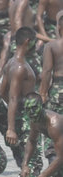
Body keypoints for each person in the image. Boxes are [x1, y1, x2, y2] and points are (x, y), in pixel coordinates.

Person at [0, 27, 46, 177]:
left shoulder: (11, 63)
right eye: (35, 41)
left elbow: (3, 92)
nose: (37, 44)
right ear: (27, 41)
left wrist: (16, 112)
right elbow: (11, 97)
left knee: (29, 161)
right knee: (34, 161)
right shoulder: (20, 67)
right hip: (27, 120)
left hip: (24, 117)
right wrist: (12, 126)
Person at [39, 15, 63, 163]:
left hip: (57, 89)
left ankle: (53, 158)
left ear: (59, 28)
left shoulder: (52, 46)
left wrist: (42, 92)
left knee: (52, 123)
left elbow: (47, 71)